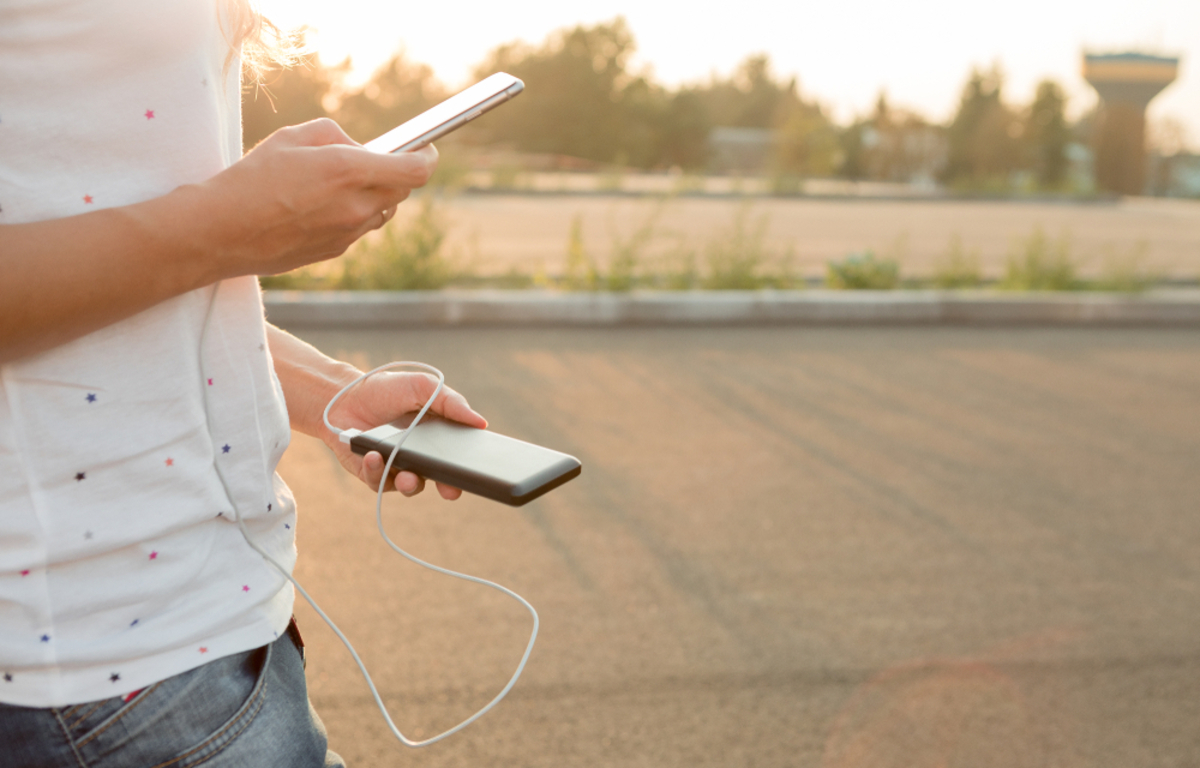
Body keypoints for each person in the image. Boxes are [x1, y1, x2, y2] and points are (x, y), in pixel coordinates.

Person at [0, 1, 483, 765]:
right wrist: (230, 224)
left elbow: (101, 251)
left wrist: (328, 390)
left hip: (196, 631)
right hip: (101, 668)